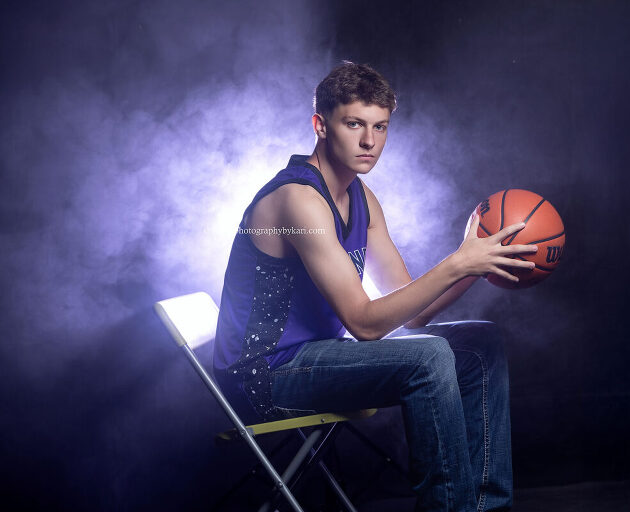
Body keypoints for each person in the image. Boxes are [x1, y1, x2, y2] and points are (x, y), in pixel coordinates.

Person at [213, 61, 537, 512]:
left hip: (316, 358)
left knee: (480, 343)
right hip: (262, 375)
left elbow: (412, 310)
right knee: (427, 356)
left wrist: (476, 264)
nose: (370, 141)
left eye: (380, 127)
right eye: (354, 124)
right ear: (320, 126)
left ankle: (486, 509)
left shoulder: (362, 197)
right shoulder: (298, 201)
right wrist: (457, 261)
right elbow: (366, 325)